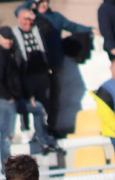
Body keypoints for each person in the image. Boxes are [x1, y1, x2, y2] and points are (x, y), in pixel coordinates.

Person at [0, 26, 61, 167]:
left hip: (14, 99)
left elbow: (17, 79)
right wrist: (8, 97)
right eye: (6, 39)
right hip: (4, 101)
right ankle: (6, 167)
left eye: (10, 39)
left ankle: (43, 141)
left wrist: (28, 96)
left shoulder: (10, 54)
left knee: (38, 108)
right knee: (7, 135)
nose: (9, 41)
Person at [32, 0, 93, 137]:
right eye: (40, 2)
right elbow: (18, 11)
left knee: (55, 97)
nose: (44, 4)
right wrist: (32, 2)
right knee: (40, 98)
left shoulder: (56, 17)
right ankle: (39, 130)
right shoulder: (33, 18)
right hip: (40, 67)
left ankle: (52, 127)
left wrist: (90, 29)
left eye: (45, 1)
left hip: (56, 64)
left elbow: (73, 27)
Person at [12, 5, 62, 154]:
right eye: (26, 19)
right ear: (19, 19)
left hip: (41, 74)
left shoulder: (38, 29)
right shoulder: (14, 34)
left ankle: (41, 133)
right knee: (28, 105)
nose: (29, 22)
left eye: (30, 19)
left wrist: (35, 16)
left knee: (43, 105)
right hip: (25, 75)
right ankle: (26, 130)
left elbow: (48, 27)